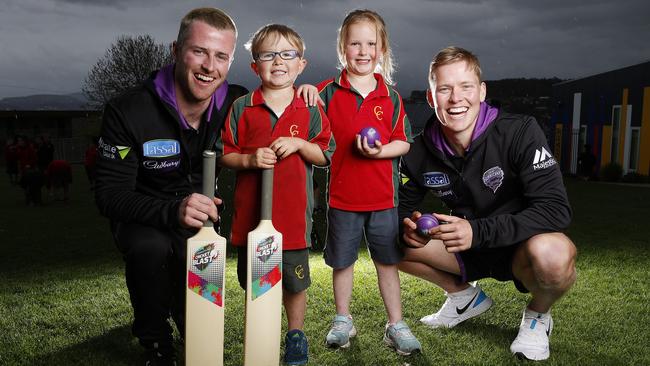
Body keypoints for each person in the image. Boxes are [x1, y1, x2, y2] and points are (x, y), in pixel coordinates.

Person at [398, 46, 577, 361]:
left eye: (466, 87)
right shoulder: (416, 152)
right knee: (381, 235)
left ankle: (537, 315)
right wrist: (407, 226)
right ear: (431, 97)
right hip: (465, 251)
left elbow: (555, 209)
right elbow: (399, 209)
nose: (456, 98)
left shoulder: (520, 131)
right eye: (444, 89)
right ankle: (462, 296)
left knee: (555, 254)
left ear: (481, 91)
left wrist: (478, 232)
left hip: (521, 248)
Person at [94, 8, 248, 365]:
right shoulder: (127, 110)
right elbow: (109, 195)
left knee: (197, 268)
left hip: (199, 220)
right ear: (176, 50)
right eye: (199, 52)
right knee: (151, 248)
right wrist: (172, 210)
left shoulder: (238, 103)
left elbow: (281, 109)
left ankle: (189, 319)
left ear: (230, 61)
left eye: (221, 56)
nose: (210, 66)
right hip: (142, 215)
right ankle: (156, 341)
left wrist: (306, 95)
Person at [216, 24, 334, 366]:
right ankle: (262, 335)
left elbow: (325, 155)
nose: (278, 61)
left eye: (287, 54)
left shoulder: (309, 107)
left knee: (295, 284)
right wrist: (250, 159)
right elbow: (226, 154)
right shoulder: (242, 107)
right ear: (255, 66)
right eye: (268, 55)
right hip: (252, 222)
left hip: (294, 219)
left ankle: (295, 336)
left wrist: (300, 144)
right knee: (259, 283)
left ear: (301, 65)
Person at [317, 9, 421, 356]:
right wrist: (302, 89)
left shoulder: (390, 97)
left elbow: (404, 142)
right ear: (342, 48)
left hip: (383, 200)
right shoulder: (326, 93)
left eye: (371, 44)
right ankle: (343, 319)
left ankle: (396, 324)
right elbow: (304, 113)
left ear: (382, 49)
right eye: (355, 43)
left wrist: (378, 153)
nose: (363, 51)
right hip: (343, 200)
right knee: (342, 263)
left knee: (387, 264)